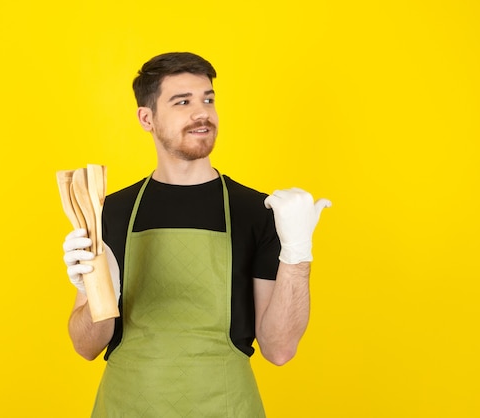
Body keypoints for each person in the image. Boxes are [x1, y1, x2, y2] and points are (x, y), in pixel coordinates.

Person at [61, 52, 331, 417]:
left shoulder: (259, 212)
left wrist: (297, 254)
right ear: (147, 118)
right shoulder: (110, 212)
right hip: (127, 405)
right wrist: (94, 292)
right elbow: (86, 346)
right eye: (182, 102)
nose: (201, 112)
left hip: (226, 406)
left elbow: (279, 349)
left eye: (208, 99)